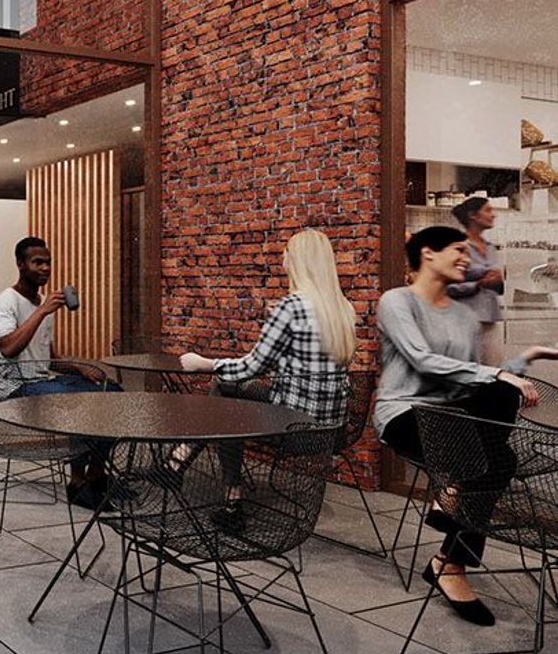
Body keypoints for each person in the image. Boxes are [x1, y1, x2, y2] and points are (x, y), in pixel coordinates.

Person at [375, 225, 553, 625]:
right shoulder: (396, 301)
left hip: (454, 417)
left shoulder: (463, 315)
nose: (466, 259)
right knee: (497, 460)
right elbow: (422, 360)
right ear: (427, 254)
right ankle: (452, 559)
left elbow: (476, 377)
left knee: (501, 404)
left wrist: (531, 355)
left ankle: (449, 541)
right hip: (405, 414)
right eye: (458, 250)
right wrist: (495, 376)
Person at [177, 227, 356, 530]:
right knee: (230, 395)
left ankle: (224, 492)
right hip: (332, 429)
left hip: (293, 425)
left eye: (287, 251)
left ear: (298, 261)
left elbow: (252, 366)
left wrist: (203, 363)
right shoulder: (343, 308)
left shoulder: (291, 307)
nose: (283, 257)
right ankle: (182, 460)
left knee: (225, 391)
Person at [0, 236, 110, 508]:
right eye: (38, 262)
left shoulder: (43, 303)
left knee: (111, 393)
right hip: (13, 389)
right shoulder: (7, 301)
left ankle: (97, 475)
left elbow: (49, 360)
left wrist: (79, 368)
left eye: (48, 262)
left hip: (41, 382)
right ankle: (78, 482)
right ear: (21, 265)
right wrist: (42, 312)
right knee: (81, 403)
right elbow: (8, 348)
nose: (45, 268)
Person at [450, 195, 505, 365]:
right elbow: (446, 286)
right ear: (473, 215)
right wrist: (477, 284)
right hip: (465, 320)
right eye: (488, 210)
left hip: (491, 318)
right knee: (468, 371)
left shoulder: (490, 247)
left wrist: (498, 281)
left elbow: (497, 285)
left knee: (493, 369)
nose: (493, 215)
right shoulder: (458, 246)